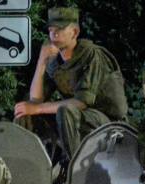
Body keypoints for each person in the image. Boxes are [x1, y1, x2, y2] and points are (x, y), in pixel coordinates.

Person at [14, 7, 127, 170]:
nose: (54, 35)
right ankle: (31, 172)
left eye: (59, 30)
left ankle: (76, 171)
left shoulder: (92, 55)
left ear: (74, 32)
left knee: (65, 110)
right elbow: (36, 100)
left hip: (108, 122)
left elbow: (81, 103)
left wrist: (37, 108)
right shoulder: (56, 62)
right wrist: (42, 61)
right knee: (24, 113)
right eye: (51, 30)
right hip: (75, 118)